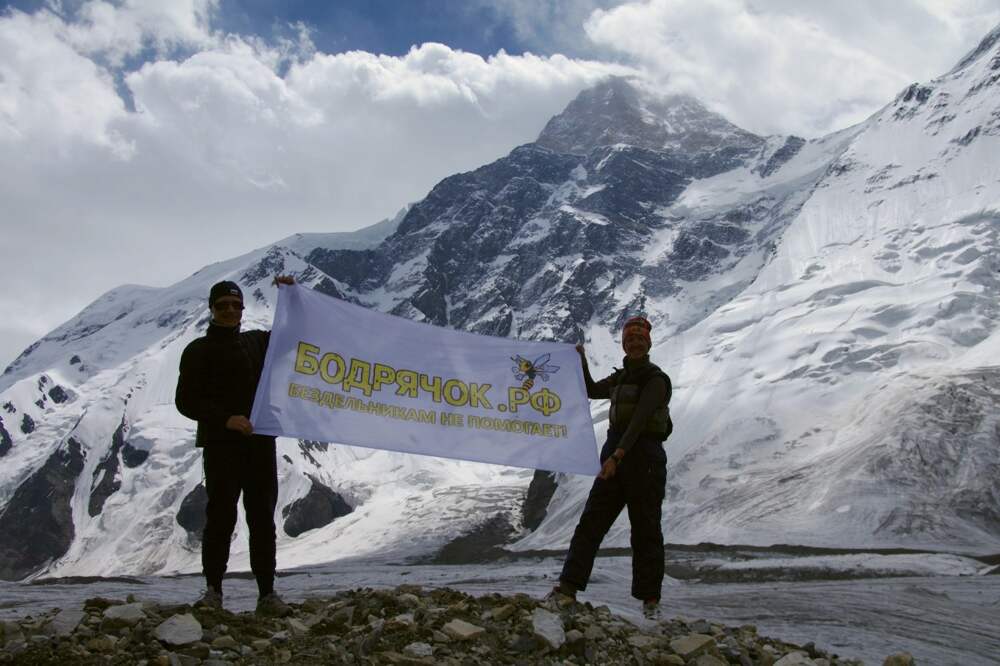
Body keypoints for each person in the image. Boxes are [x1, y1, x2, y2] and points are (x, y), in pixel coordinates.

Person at [175, 276, 294, 616]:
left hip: (258, 444)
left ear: (243, 309)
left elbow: (292, 335)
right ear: (212, 310)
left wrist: (290, 294)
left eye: (235, 305)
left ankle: (267, 594)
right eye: (222, 305)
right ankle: (213, 591)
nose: (229, 310)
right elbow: (186, 401)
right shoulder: (197, 350)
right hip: (220, 444)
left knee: (261, 519)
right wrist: (225, 418)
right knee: (220, 517)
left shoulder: (258, 343)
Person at [553, 316, 672, 616]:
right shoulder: (620, 378)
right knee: (592, 521)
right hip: (616, 455)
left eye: (639, 338)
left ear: (648, 343)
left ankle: (651, 601)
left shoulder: (656, 379)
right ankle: (568, 587)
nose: (634, 342)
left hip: (643, 457)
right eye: (630, 338)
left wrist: (616, 456)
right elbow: (592, 390)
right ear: (624, 343)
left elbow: (641, 419)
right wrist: (580, 362)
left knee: (645, 529)